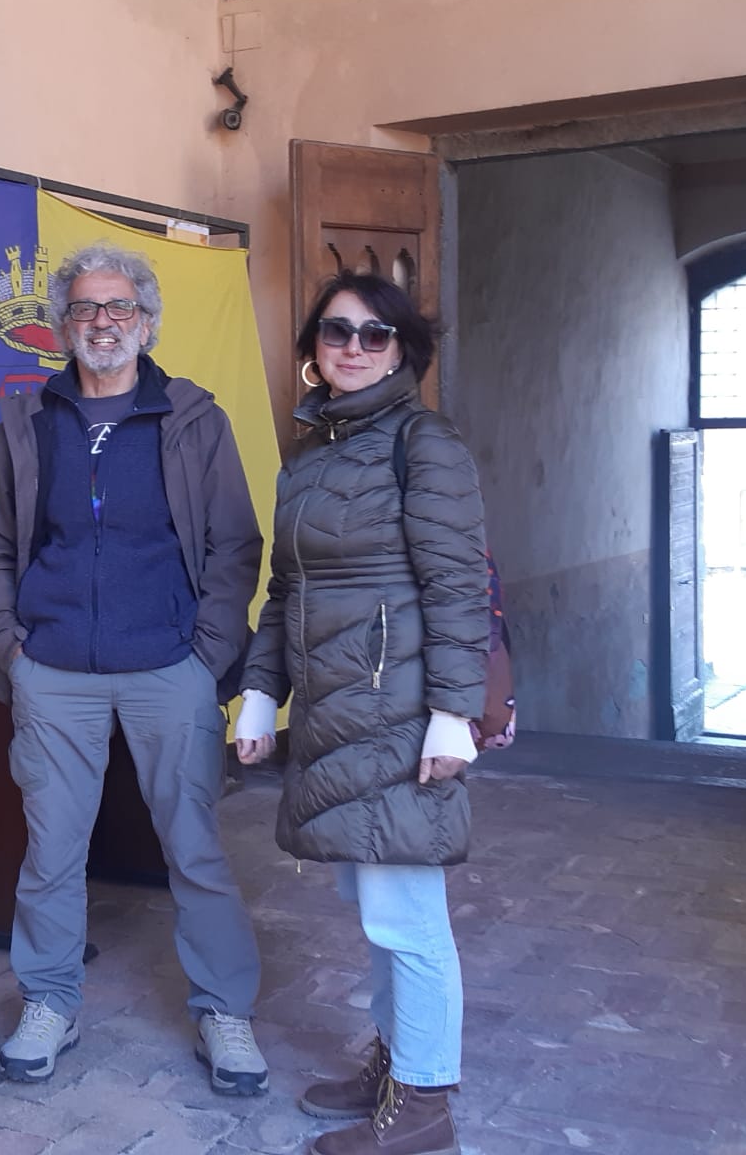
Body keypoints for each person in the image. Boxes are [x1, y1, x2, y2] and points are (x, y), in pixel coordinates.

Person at [0, 241, 269, 1095]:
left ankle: (224, 1011)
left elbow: (234, 545)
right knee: (51, 854)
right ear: (63, 326)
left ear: (146, 321)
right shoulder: (26, 423)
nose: (103, 322)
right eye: (85, 308)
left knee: (195, 851)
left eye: (119, 306)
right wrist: (13, 647)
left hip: (168, 667)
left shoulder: (191, 418)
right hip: (53, 668)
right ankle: (49, 1002)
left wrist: (206, 653)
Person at [233, 270, 487, 1155]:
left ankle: (424, 1104)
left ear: (402, 350)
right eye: (335, 331)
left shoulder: (424, 442)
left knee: (406, 913)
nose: (352, 347)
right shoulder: (310, 455)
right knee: (375, 905)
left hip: (397, 710)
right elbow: (286, 591)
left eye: (373, 334)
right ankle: (397, 1062)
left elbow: (456, 586)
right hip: (335, 714)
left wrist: (453, 712)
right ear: (312, 346)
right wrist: (258, 693)